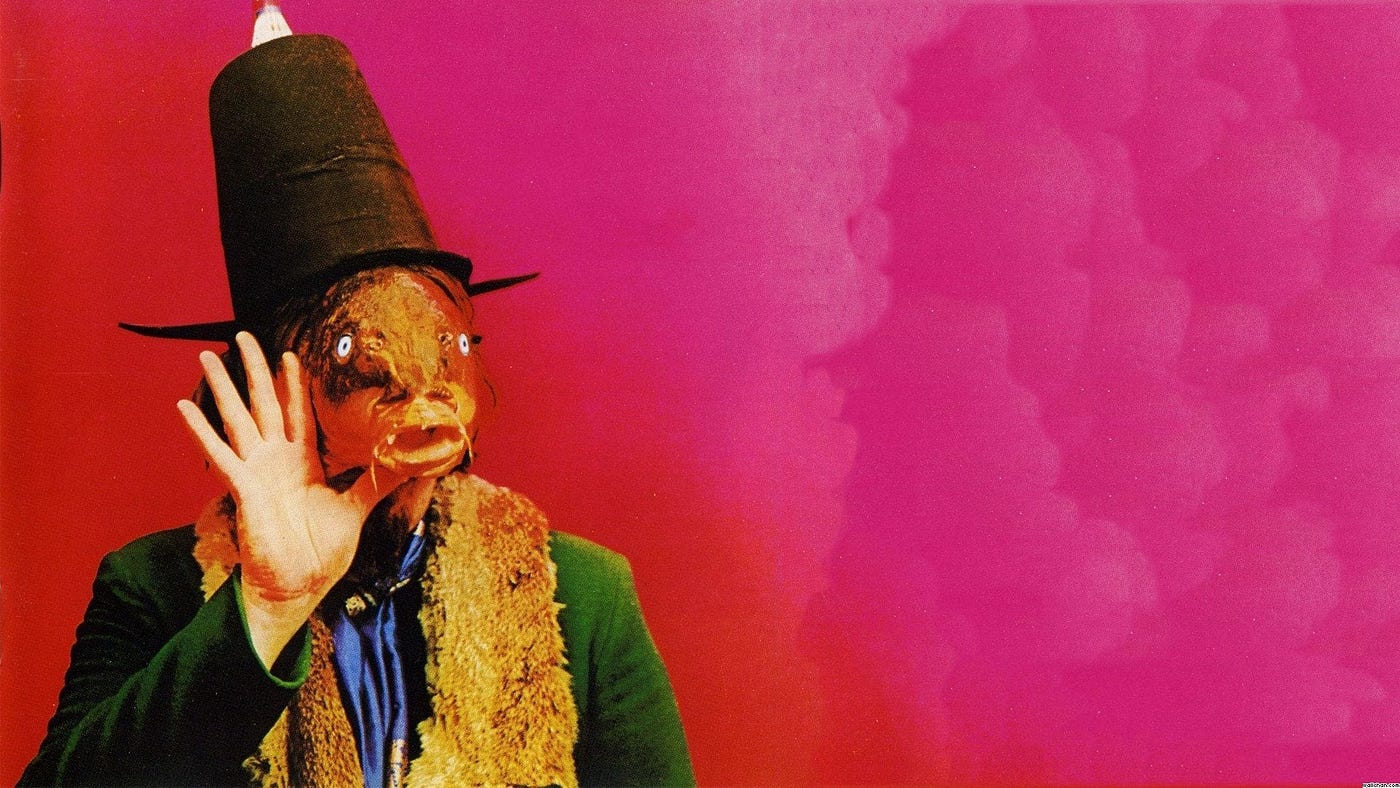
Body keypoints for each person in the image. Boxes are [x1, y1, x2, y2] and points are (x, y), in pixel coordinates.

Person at [20, 31, 693, 788]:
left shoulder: (584, 597)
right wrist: (268, 606)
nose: (414, 390)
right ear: (266, 384)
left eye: (442, 344)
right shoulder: (152, 590)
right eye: (355, 352)